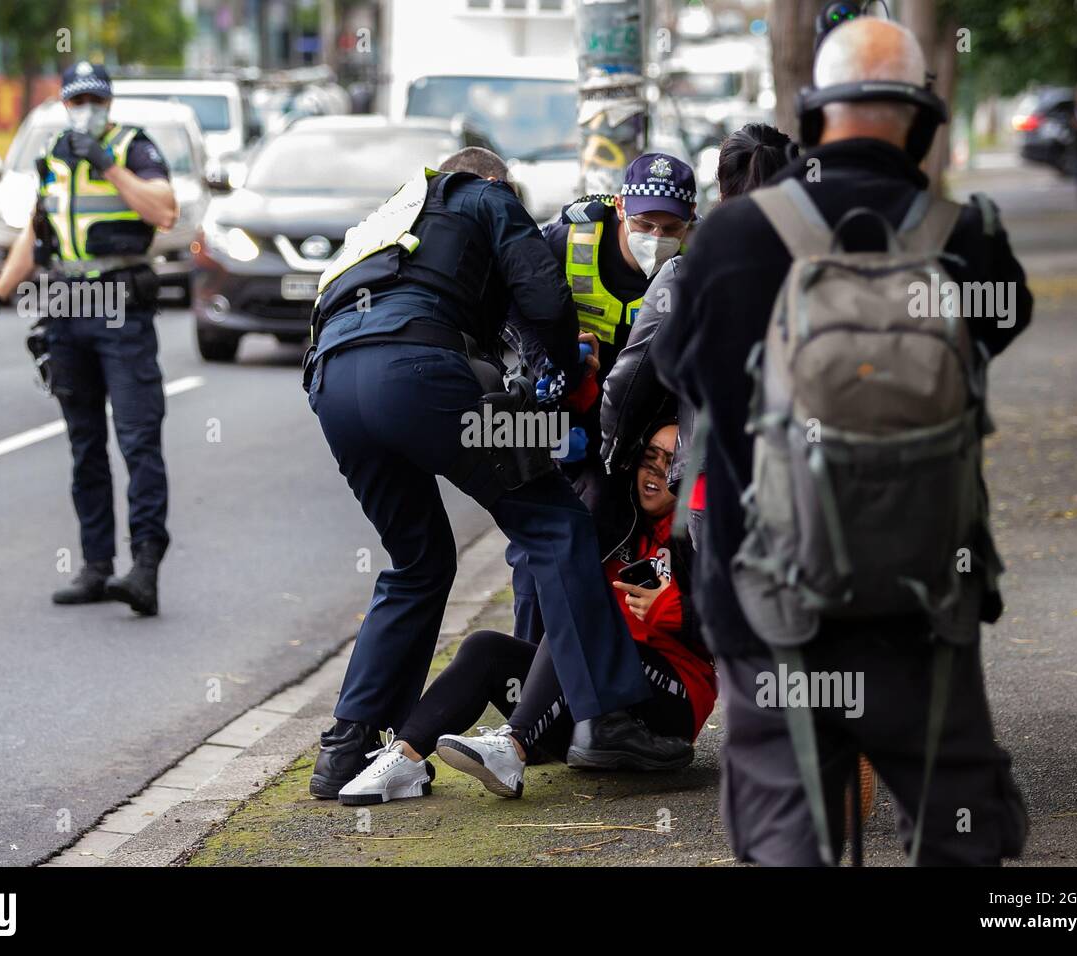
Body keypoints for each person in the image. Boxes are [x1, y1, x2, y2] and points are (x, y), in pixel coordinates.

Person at [656, 18, 1032, 865]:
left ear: (815, 112)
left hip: (769, 599)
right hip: (924, 596)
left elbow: (683, 372)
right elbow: (1001, 331)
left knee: (788, 827)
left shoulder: (733, 238)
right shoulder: (965, 241)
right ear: (925, 120)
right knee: (959, 820)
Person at [303, 146, 666, 799]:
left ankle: (345, 749)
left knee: (417, 561)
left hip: (332, 385)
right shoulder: (481, 192)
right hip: (419, 373)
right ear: (493, 181)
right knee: (556, 523)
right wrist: (569, 377)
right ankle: (606, 717)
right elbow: (546, 298)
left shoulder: (389, 219)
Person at [336, 421, 717, 805]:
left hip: (672, 705)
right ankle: (404, 759)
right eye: (648, 458)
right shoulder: (615, 513)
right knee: (485, 647)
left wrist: (681, 613)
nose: (655, 472)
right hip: (594, 707)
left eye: (670, 463)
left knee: (578, 626)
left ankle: (513, 744)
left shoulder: (704, 530)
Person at [0, 61, 178, 615]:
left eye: (95, 98)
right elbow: (36, 233)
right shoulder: (55, 155)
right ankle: (95, 566)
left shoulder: (135, 148)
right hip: (67, 307)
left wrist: (110, 166)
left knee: (137, 440)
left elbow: (163, 211)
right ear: (65, 103)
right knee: (84, 444)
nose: (86, 108)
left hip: (121, 309)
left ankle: (144, 569)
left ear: (108, 102)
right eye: (76, 99)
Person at [509, 152, 697, 643]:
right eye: (643, 223)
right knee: (535, 541)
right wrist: (552, 357)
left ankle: (587, 669)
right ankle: (524, 672)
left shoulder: (699, 267)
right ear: (619, 207)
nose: (655, 238)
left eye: (670, 227)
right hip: (559, 410)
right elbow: (508, 307)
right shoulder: (569, 239)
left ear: (690, 222)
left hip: (631, 429)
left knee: (594, 528)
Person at [601, 124, 797, 554]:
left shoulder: (685, 275)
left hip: (718, 483)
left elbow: (629, 383)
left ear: (719, 196)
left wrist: (613, 451)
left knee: (725, 616)